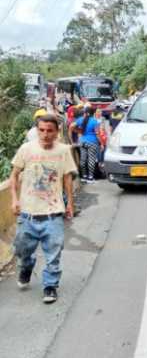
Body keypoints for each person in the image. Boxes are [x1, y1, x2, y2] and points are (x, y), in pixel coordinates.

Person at [9, 114, 77, 304]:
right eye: (42, 130)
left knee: (53, 252)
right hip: (27, 213)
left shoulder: (63, 150)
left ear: (57, 132)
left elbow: (67, 178)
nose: (45, 134)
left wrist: (70, 203)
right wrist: (14, 199)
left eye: (50, 131)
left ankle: (50, 286)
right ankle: (26, 267)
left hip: (53, 212)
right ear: (37, 130)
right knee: (22, 250)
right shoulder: (26, 149)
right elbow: (14, 175)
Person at [70, 105, 101, 184]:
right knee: (91, 159)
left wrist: (78, 131)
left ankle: (84, 176)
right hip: (92, 142)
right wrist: (101, 143)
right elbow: (97, 134)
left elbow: (71, 126)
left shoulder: (80, 119)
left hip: (82, 141)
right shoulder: (95, 121)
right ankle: (90, 178)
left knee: (83, 159)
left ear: (85, 112)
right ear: (93, 113)